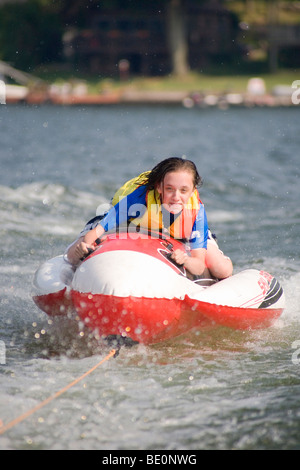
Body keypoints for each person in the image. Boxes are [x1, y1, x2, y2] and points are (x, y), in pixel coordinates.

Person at [66, 157, 233, 279]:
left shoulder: (195, 210)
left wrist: (186, 260)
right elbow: (97, 231)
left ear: (192, 190)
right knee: (74, 255)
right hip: (129, 223)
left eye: (183, 190)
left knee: (222, 270)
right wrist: (85, 246)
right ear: (159, 187)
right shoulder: (138, 199)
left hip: (175, 228)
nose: (176, 197)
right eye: (169, 189)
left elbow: (198, 265)